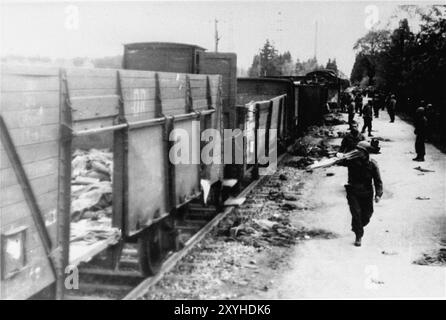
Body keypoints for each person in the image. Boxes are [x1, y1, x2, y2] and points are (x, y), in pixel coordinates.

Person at [338, 141, 383, 246]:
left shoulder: (372, 164)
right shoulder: (351, 160)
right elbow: (340, 161)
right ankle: (359, 236)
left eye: (361, 151)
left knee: (367, 215)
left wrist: (378, 194)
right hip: (353, 190)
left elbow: (378, 180)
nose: (358, 152)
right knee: (356, 213)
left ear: (366, 152)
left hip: (367, 192)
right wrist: (339, 156)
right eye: (357, 150)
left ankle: (357, 226)